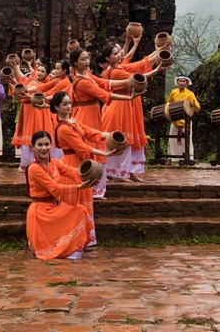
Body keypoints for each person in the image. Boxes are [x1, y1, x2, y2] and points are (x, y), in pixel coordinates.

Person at [25, 130, 98, 260]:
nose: (44, 148)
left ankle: (71, 250)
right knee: (78, 210)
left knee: (80, 210)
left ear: (51, 145)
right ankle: (66, 250)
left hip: (52, 207)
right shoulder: (34, 168)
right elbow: (54, 188)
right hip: (40, 212)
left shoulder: (54, 163)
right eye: (40, 145)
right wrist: (80, 187)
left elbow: (73, 172)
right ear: (33, 147)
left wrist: (89, 172)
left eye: (47, 144)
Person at [52, 90, 120, 223]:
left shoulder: (73, 121)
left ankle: (85, 234)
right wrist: (104, 153)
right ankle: (74, 234)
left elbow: (89, 132)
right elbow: (81, 148)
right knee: (77, 196)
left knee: (84, 194)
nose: (68, 107)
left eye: (70, 103)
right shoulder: (63, 129)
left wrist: (109, 135)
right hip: (72, 163)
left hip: (82, 162)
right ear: (56, 107)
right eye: (65, 104)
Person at [97, 41, 160, 182]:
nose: (119, 54)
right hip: (119, 107)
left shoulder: (119, 67)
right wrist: (156, 70)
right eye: (115, 53)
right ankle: (119, 172)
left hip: (126, 105)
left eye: (119, 52)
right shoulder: (114, 72)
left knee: (127, 139)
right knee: (121, 139)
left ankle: (126, 171)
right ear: (107, 58)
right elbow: (136, 78)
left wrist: (158, 50)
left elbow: (137, 65)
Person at [165, 75, 201, 161]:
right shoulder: (173, 92)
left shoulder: (190, 94)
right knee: (172, 139)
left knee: (187, 139)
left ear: (187, 83)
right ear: (177, 82)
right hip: (175, 120)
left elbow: (198, 108)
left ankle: (189, 158)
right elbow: (168, 104)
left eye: (183, 81)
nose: (181, 83)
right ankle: (173, 158)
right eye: (180, 81)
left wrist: (193, 104)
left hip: (186, 121)